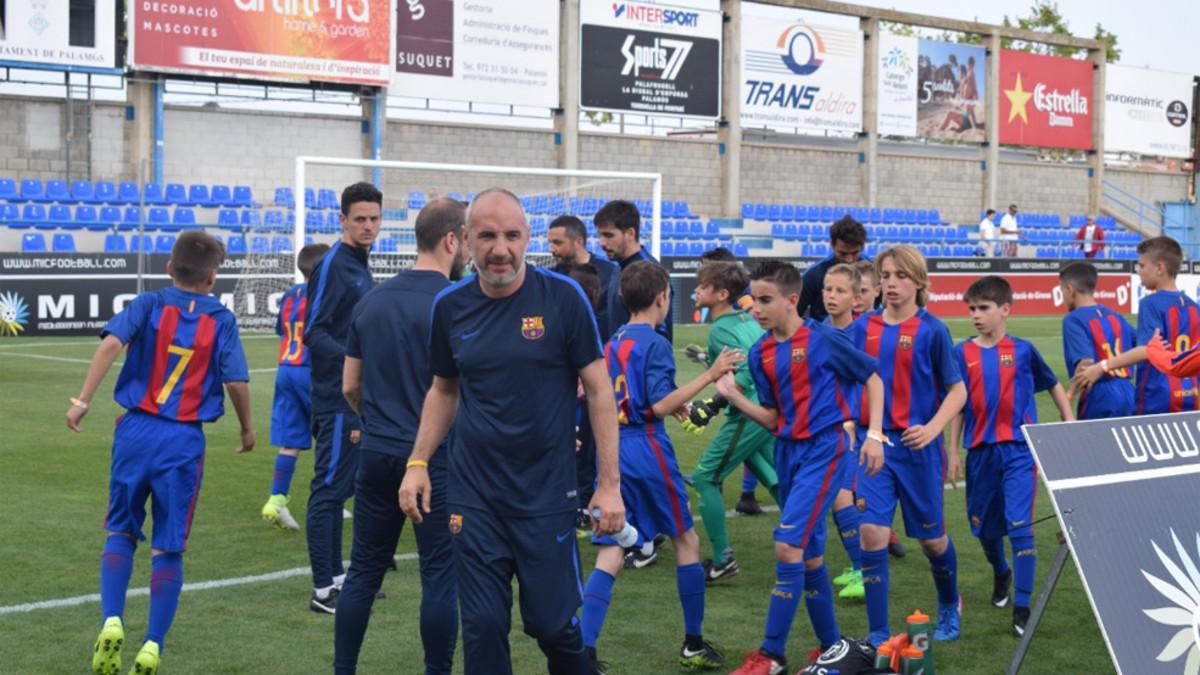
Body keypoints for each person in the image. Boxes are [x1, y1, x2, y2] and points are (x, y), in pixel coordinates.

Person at [398, 187, 625, 675]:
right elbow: (444, 390)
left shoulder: (563, 298)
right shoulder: (449, 307)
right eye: (487, 236)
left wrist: (609, 484)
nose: (500, 248)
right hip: (474, 494)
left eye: (511, 235)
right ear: (463, 240)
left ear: (527, 239)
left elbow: (600, 391)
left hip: (546, 494)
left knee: (552, 626)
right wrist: (417, 462)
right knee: (481, 627)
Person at [69, 231, 255, 675]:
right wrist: (247, 428)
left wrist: (82, 400)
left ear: (169, 268)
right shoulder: (222, 321)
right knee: (168, 547)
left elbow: (111, 343)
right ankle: (152, 645)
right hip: (183, 440)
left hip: (135, 430)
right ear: (213, 278)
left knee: (120, 529)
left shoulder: (149, 303)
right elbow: (235, 382)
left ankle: (112, 620)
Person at [719, 259, 886, 675]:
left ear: (792, 300)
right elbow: (774, 419)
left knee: (786, 545)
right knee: (809, 556)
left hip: (825, 450)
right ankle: (833, 647)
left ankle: (771, 654)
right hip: (787, 452)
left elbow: (873, 379)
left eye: (764, 300)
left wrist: (874, 433)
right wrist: (734, 396)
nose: (755, 308)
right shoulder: (760, 353)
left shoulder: (824, 339)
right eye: (752, 299)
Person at [334, 198, 469, 674]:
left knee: (363, 572)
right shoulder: (457, 302)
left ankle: (343, 669)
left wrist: (374, 420)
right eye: (470, 240)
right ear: (452, 240)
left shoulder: (372, 298)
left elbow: (350, 384)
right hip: (435, 461)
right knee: (440, 576)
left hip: (375, 452)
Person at [581, 261, 736, 671]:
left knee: (611, 549)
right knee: (686, 541)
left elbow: (611, 394)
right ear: (662, 299)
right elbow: (657, 406)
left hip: (611, 449)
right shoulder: (654, 344)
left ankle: (583, 649)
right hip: (646, 447)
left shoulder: (612, 342)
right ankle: (693, 644)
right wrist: (711, 375)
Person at [851, 245, 967, 647]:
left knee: (933, 541)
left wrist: (934, 429)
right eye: (885, 276)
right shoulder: (862, 327)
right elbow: (848, 381)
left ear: (919, 281)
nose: (892, 284)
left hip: (919, 450)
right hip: (874, 446)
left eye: (901, 276)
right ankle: (879, 631)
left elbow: (957, 391)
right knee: (871, 534)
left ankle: (950, 603)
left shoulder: (932, 330)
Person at [947, 276, 1073, 638]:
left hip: (1019, 451)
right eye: (971, 309)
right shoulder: (962, 353)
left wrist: (1069, 422)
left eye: (983, 308)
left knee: (1020, 526)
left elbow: (1052, 384)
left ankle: (1022, 606)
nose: (975, 315)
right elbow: (957, 406)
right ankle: (1000, 571)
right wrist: (953, 450)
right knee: (985, 532)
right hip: (981, 454)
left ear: (1005, 310)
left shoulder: (1023, 350)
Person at [303, 181, 381, 614]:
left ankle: (337, 578)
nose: (368, 226)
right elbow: (314, 331)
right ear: (343, 220)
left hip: (354, 397)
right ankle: (322, 589)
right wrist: (359, 360)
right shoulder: (334, 265)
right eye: (360, 219)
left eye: (374, 218)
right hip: (336, 398)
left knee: (342, 488)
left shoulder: (358, 262)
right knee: (329, 490)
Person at [689, 261, 780, 583]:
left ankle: (722, 559)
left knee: (705, 478)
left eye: (702, 286)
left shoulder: (722, 327)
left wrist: (715, 403)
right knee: (773, 476)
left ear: (722, 293)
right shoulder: (747, 319)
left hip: (747, 412)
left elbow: (747, 368)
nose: (696, 290)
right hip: (767, 407)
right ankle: (806, 538)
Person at [1072, 236, 1200, 414]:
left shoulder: (1151, 303)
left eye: (1142, 265)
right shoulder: (1195, 307)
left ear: (1160, 268)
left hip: (1157, 396)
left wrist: (1102, 367)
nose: (1138, 271)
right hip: (1192, 394)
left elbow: (1147, 349)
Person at [261, 242, 330, 531]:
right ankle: (330, 500)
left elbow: (282, 330)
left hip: (286, 368)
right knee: (331, 434)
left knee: (292, 441)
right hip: (310, 371)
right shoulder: (325, 294)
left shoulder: (289, 295)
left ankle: (276, 500)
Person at [853, 259, 907, 561]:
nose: (856, 297)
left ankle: (883, 532)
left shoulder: (885, 328)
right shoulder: (847, 329)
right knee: (846, 494)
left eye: (861, 291)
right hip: (851, 426)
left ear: (877, 291)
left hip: (886, 428)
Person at [821, 263, 868, 600]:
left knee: (841, 497)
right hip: (827, 427)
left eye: (840, 291)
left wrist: (855, 422)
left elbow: (873, 382)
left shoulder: (861, 334)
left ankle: (863, 571)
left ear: (856, 297)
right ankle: (858, 567)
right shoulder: (822, 329)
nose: (832, 296)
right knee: (835, 498)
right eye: (827, 289)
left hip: (851, 429)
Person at [1059, 262, 1136, 419]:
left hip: (1100, 393)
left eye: (1062, 291)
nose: (1063, 298)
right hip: (1128, 391)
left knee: (1093, 443)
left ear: (1069, 290)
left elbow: (1086, 363)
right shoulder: (1116, 316)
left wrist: (1069, 396)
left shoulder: (1073, 319)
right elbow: (1139, 347)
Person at [595, 199, 672, 342]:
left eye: (609, 235)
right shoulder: (618, 267)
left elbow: (661, 332)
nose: (602, 243)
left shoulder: (650, 272)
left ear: (630, 233)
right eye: (600, 235)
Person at [549, 215, 620, 341]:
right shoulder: (551, 278)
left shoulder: (610, 273)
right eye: (550, 243)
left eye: (557, 243)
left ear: (579, 242)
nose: (552, 249)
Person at [798, 215, 869, 322]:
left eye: (854, 253)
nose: (849, 259)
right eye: (843, 253)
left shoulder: (872, 271)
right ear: (832, 245)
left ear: (862, 247)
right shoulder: (813, 275)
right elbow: (794, 314)